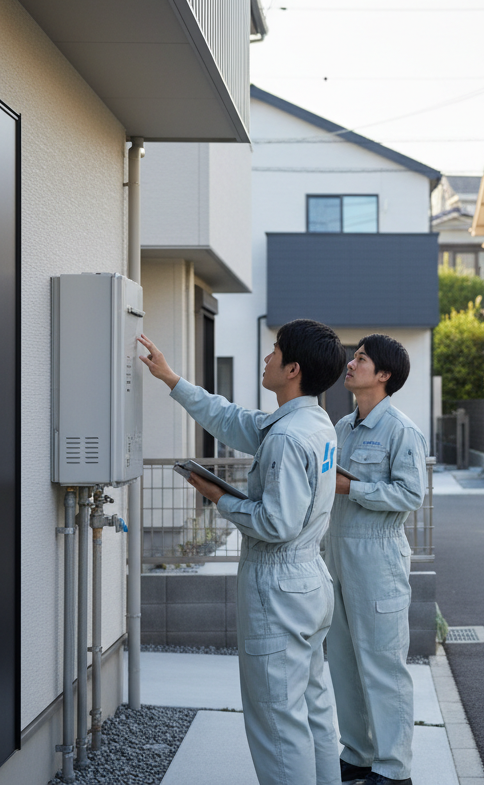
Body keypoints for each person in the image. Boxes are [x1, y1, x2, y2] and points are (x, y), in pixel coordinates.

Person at [138, 321, 346, 785]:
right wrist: (173, 380)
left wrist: (218, 497)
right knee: (311, 709)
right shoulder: (311, 422)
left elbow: (276, 523)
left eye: (274, 352)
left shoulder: (288, 439)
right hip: (309, 580)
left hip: (279, 586)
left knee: (276, 720)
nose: (267, 359)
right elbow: (233, 420)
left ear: (292, 368)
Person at [327, 334, 427, 785]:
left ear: (383, 375)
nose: (351, 363)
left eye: (362, 359)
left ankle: (394, 768)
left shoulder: (401, 430)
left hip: (379, 555)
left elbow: (411, 494)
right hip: (339, 554)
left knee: (383, 666)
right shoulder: (343, 427)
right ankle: (357, 754)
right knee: (344, 663)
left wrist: (354, 488)